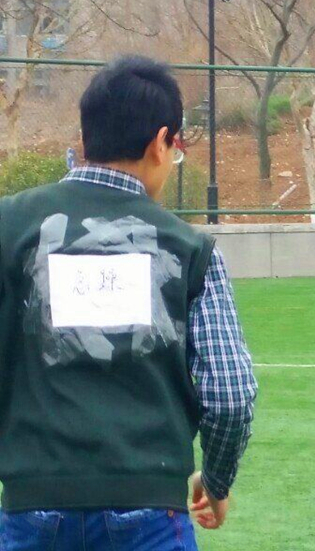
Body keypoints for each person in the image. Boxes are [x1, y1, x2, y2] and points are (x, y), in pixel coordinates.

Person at [0, 55, 257, 550]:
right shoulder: (191, 249)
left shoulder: (9, 226)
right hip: (149, 508)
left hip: (32, 502)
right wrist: (217, 480)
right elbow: (230, 396)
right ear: (161, 143)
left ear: (86, 136)